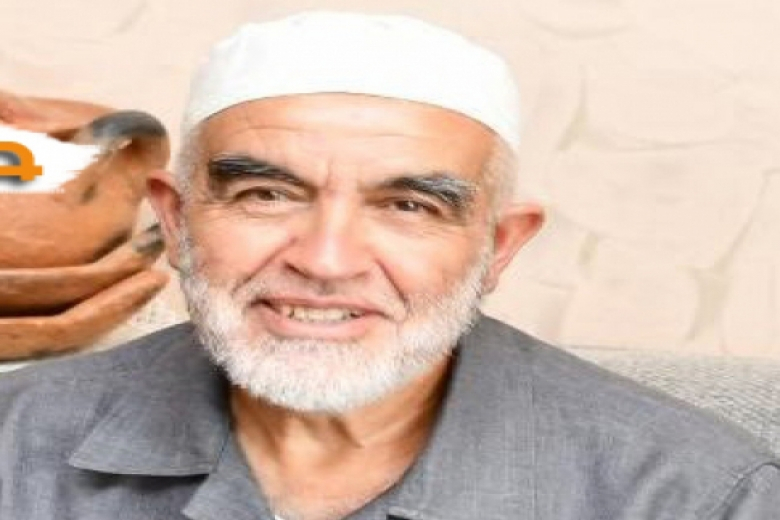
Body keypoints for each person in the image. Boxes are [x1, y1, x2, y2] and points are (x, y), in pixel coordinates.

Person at [0, 11, 778, 520]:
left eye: (410, 206)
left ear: (500, 246)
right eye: (267, 194)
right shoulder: (13, 441)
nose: (325, 260)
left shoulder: (692, 494)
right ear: (174, 220)